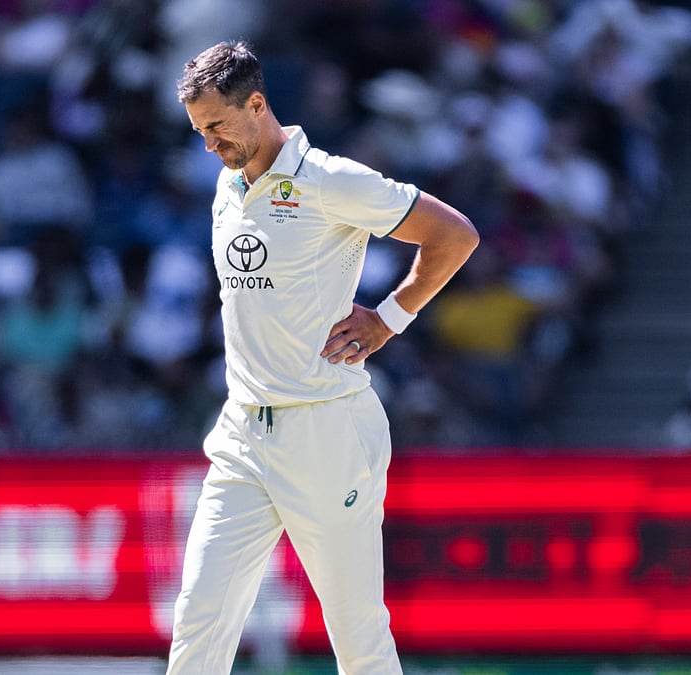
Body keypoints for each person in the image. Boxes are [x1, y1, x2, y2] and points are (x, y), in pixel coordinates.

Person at [167, 40, 480, 674]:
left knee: (357, 638)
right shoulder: (229, 188)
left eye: (218, 128)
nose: (210, 147)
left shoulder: (331, 180)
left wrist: (389, 318)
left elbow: (455, 235)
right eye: (200, 132)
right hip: (242, 431)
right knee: (199, 619)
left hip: (326, 428)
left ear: (257, 105)